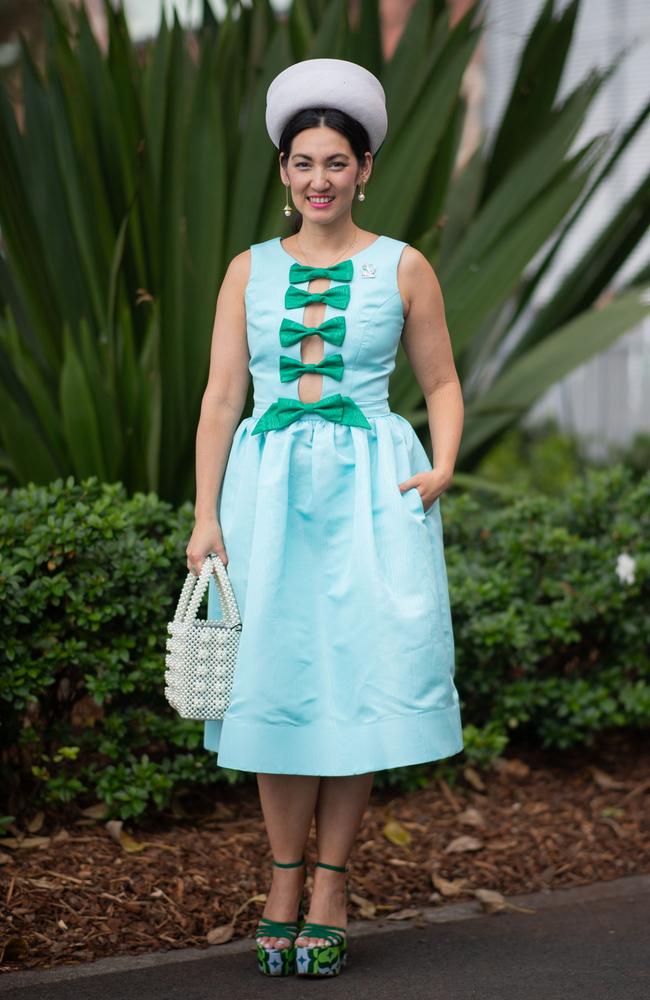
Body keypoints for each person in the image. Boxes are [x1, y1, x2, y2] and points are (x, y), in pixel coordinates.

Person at [185, 57, 464, 979]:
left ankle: (333, 888)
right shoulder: (248, 271)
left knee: (355, 684)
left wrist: (445, 466)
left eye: (336, 162)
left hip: (374, 494)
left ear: (366, 169)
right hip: (267, 495)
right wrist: (205, 517)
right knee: (273, 684)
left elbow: (442, 382)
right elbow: (224, 397)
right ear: (282, 171)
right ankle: (280, 882)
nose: (318, 179)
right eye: (302, 162)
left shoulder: (403, 266)